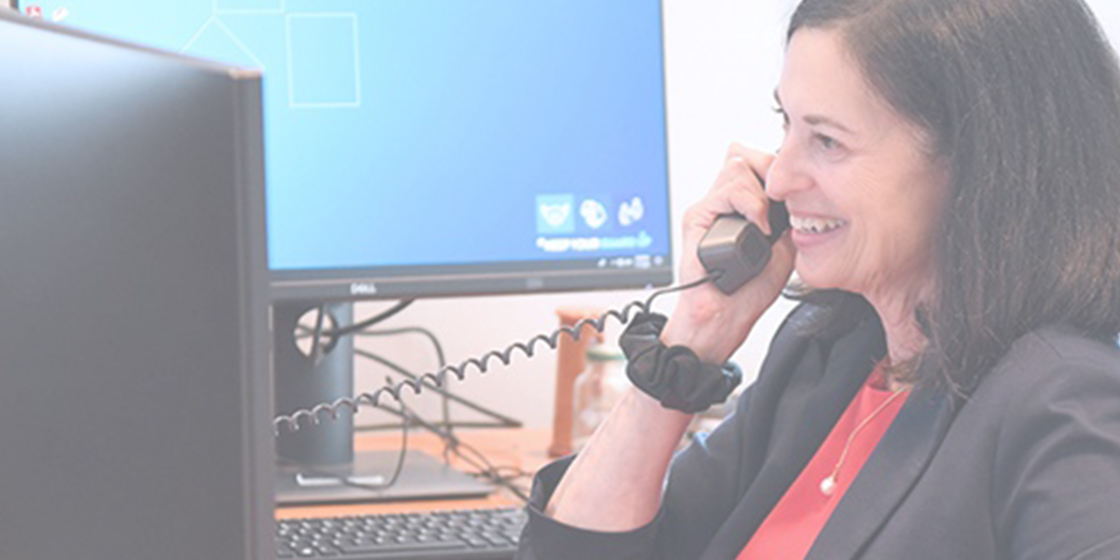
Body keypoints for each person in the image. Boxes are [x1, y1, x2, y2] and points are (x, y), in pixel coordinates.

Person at [515, 0, 1120, 558]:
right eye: (787, 125)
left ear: (981, 162)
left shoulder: (1066, 400)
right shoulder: (826, 356)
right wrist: (694, 334)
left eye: (827, 140)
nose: (777, 180)